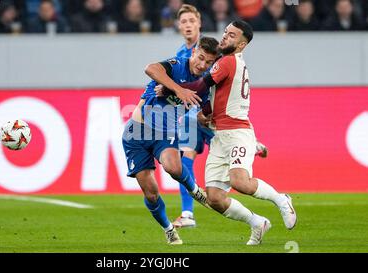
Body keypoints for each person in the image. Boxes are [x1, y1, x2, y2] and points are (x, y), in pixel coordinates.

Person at [159, 20, 297, 245]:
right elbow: (207, 97)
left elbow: (200, 87)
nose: (225, 37)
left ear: (241, 44)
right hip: (219, 134)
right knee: (214, 197)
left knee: (240, 181)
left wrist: (168, 87)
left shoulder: (229, 62)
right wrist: (205, 111)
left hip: (237, 131)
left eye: (231, 36)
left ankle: (282, 199)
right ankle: (256, 222)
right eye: (225, 32)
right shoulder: (226, 61)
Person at [171, 4, 268, 229]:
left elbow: (214, 83)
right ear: (178, 26)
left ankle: (251, 143)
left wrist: (206, 110)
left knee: (223, 141)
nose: (187, 25)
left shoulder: (213, 48)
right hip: (194, 115)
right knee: (184, 157)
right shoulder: (180, 53)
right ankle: (188, 213)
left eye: (191, 21)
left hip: (211, 115)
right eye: (183, 22)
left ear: (199, 24)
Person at [121, 37, 220, 245]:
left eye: (208, 62)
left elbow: (204, 112)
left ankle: (195, 190)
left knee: (173, 167)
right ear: (193, 53)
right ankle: (168, 228)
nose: (201, 64)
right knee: (151, 193)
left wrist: (207, 117)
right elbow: (150, 68)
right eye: (200, 58)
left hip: (165, 133)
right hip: (136, 134)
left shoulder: (204, 85)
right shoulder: (176, 65)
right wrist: (177, 89)